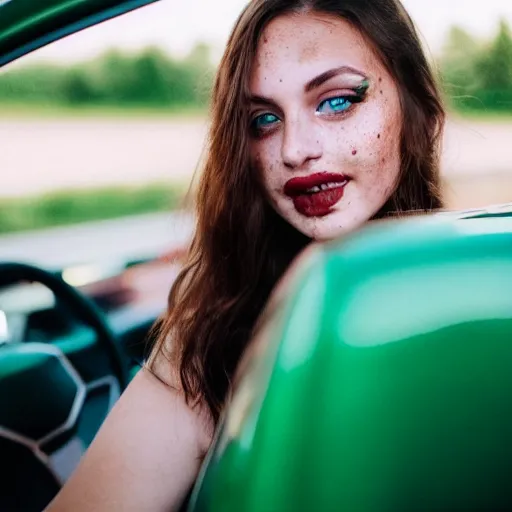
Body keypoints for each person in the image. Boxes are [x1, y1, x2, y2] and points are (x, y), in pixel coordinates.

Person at [46, 0, 445, 510]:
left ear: (421, 111)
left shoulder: (487, 293)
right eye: (263, 119)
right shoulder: (216, 331)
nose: (294, 150)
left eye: (337, 101)